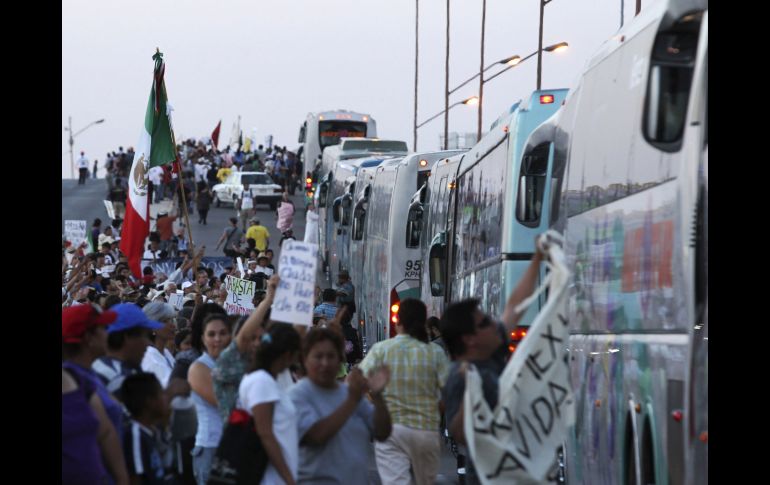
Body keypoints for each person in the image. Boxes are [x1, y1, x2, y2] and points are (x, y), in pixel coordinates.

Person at [441, 247, 544, 485]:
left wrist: (537, 259)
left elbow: (515, 306)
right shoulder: (459, 375)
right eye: (485, 322)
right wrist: (471, 393)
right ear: (470, 339)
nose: (493, 324)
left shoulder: (491, 354)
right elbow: (459, 435)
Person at [359, 298, 449, 485]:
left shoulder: (382, 350)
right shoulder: (435, 352)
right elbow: (447, 395)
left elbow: (357, 381)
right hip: (426, 431)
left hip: (392, 432)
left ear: (398, 320)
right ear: (424, 322)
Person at [288, 328, 392, 484]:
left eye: (331, 356)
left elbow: (382, 432)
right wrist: (352, 399)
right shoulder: (297, 395)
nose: (325, 363)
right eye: (318, 357)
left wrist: (378, 396)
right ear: (304, 360)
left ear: (340, 360)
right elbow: (316, 436)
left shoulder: (350, 393)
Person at [62, 305, 130, 485]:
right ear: (88, 338)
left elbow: (106, 432)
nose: (108, 333)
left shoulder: (85, 377)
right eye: (102, 328)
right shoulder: (75, 379)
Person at [237, 323, 301, 485]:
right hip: (270, 477)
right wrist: (288, 478)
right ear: (287, 355)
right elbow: (265, 434)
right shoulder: (261, 382)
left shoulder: (265, 379)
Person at [213, 274, 278, 422]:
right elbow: (243, 338)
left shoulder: (266, 362)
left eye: (260, 338)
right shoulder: (227, 362)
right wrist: (268, 300)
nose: (256, 343)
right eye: (252, 338)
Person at [188, 313, 232, 485]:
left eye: (222, 333)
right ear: (203, 338)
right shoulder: (199, 367)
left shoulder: (233, 364)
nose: (218, 339)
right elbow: (225, 403)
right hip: (210, 447)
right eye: (211, 334)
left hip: (233, 446)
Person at [92, 303, 164, 396]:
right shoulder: (118, 379)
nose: (149, 343)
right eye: (146, 336)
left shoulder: (102, 365)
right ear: (127, 337)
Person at [121, 373, 175, 484]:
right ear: (150, 401)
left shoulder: (151, 432)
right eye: (162, 393)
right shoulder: (135, 434)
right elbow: (136, 478)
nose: (167, 398)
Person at [140, 302, 178, 388]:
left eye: (172, 320)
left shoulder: (165, 352)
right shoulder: (151, 359)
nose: (172, 325)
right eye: (165, 321)